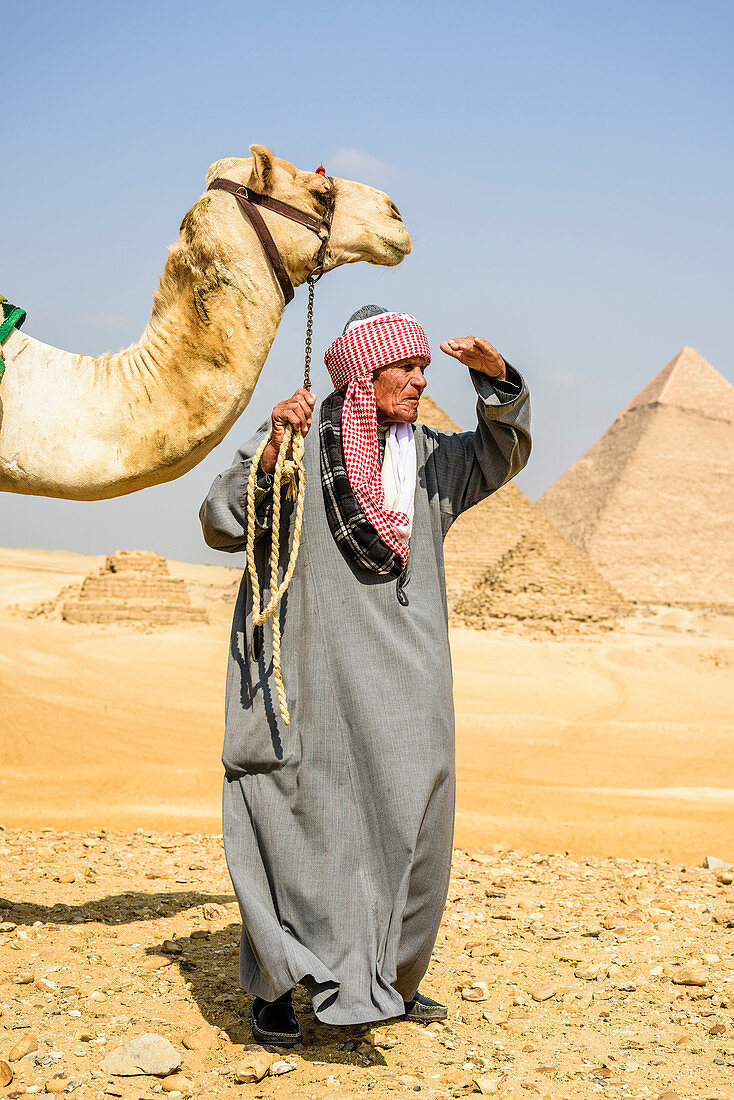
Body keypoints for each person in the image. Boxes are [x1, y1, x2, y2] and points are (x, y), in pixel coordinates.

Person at [200, 305, 531, 1045]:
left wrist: (499, 381)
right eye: (405, 369)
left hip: (407, 683)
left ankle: (387, 980)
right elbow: (222, 520)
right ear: (361, 375)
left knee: (413, 823)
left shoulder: (434, 463)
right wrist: (270, 448)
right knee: (288, 819)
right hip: (309, 673)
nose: (420, 380)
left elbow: (502, 450)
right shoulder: (294, 441)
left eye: (424, 368)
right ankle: (281, 989)